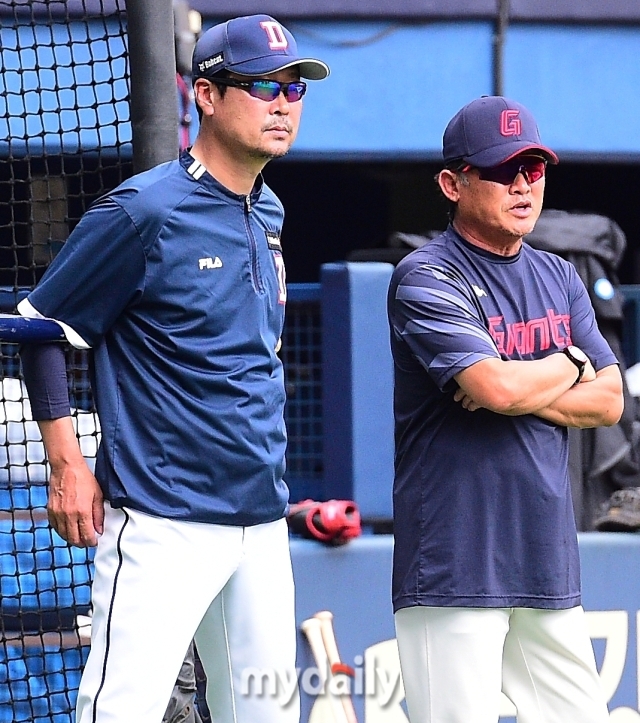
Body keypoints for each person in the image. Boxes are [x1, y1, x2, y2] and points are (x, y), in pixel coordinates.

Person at [17, 14, 328, 723]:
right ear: (207, 97)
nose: (283, 102)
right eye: (262, 85)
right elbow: (40, 326)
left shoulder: (269, 208)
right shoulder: (143, 209)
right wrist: (67, 464)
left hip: (260, 515)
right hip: (163, 517)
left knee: (268, 715)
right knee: (118, 713)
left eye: (294, 88)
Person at [387, 96, 623, 723]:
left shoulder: (560, 275)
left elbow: (609, 400)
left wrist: (528, 384)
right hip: (453, 563)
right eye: (501, 170)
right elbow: (494, 387)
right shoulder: (425, 274)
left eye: (534, 169)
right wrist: (568, 365)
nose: (522, 184)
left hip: (545, 560)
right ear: (453, 183)